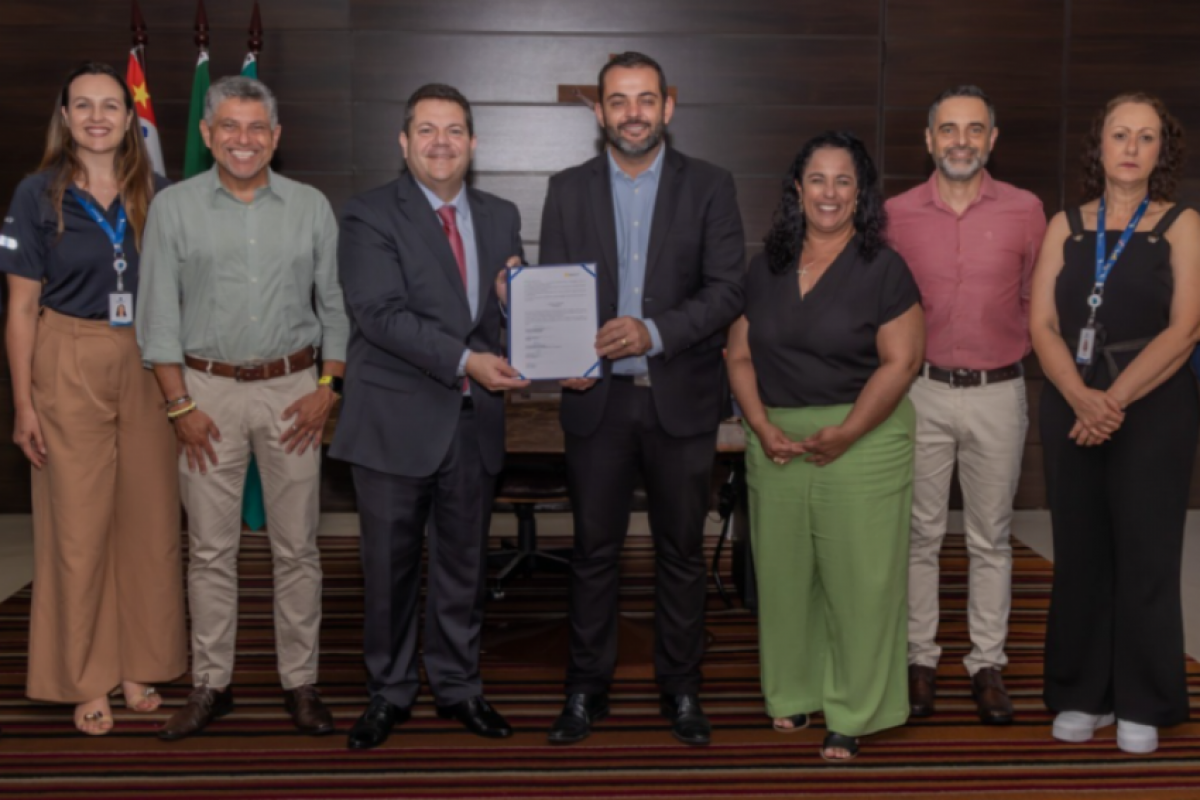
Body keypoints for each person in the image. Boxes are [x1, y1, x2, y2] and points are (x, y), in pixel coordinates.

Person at [539, 52, 745, 747]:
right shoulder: (566, 189)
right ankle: (585, 689)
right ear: (599, 112)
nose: (633, 112)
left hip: (678, 399)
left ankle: (681, 688)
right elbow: (556, 286)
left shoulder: (711, 187)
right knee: (593, 551)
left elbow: (726, 291)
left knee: (679, 552)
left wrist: (652, 331)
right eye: (619, 100)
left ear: (669, 105)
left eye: (645, 99)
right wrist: (563, 354)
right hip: (596, 402)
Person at [137, 75, 350, 741]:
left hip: (296, 395)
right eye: (229, 126)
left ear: (276, 137)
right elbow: (157, 320)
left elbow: (336, 307)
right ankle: (212, 684)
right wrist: (179, 408)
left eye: (257, 128)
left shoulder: (311, 206)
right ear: (206, 135)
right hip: (206, 395)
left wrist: (328, 388)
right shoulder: (173, 210)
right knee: (209, 551)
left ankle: (301, 683)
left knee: (297, 549)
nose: (243, 140)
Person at [330, 83, 529, 751]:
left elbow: (501, 313)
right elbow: (379, 315)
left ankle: (459, 686)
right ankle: (387, 693)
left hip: (474, 425)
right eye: (426, 130)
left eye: (453, 131)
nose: (440, 142)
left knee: (463, 566)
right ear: (404, 142)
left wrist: (517, 306)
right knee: (387, 570)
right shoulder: (366, 216)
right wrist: (467, 361)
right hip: (394, 421)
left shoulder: (501, 215)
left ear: (472, 144)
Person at [0, 61, 185, 735]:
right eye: (84, 106)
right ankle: (85, 675)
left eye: (111, 106)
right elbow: (19, 309)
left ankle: (141, 662)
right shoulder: (35, 193)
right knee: (76, 527)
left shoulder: (158, 191)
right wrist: (23, 404)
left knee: (150, 520)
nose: (98, 117)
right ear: (66, 117)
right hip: (67, 353)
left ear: (130, 119)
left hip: (148, 359)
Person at [726, 131, 924, 761]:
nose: (829, 193)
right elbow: (737, 355)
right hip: (777, 440)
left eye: (844, 181)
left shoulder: (885, 268)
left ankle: (854, 708)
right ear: (796, 189)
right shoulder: (767, 267)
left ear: (860, 193)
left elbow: (901, 362)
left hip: (862, 439)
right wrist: (760, 427)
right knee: (784, 580)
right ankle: (791, 691)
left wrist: (849, 431)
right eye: (817, 179)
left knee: (859, 582)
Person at [1030, 93, 1200, 754]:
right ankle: (1081, 693)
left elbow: (1186, 329)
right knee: (1080, 552)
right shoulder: (1064, 224)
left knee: (1145, 553)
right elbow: (1040, 323)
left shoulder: (1184, 223)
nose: (1131, 147)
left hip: (1153, 403)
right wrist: (1078, 394)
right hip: (1071, 400)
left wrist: (1112, 401)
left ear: (1163, 150)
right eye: (1119, 134)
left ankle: (1143, 700)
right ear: (1098, 146)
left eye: (1146, 137)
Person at [886, 86, 1047, 724]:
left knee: (991, 539)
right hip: (918, 392)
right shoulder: (895, 213)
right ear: (928, 140)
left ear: (992, 139)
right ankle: (918, 659)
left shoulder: (1028, 210)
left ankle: (987, 664)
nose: (961, 141)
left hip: (999, 394)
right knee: (918, 535)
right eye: (948, 129)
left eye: (973, 130)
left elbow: (1040, 301)